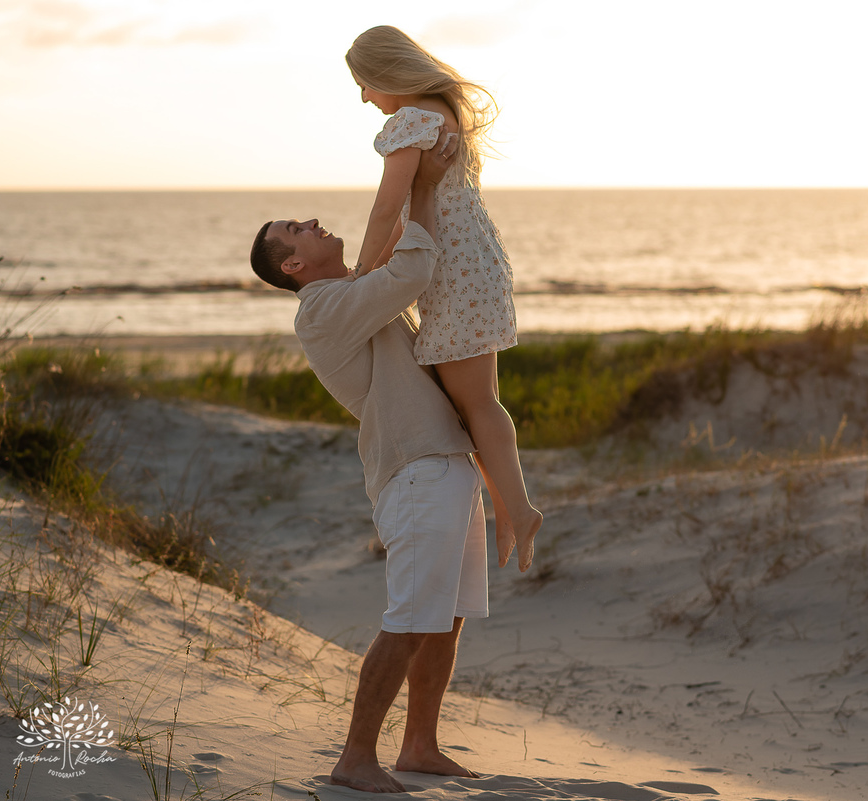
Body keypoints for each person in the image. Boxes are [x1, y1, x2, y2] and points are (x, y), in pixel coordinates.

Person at [249, 135, 483, 793]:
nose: (312, 221)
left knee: (446, 615)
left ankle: (420, 744)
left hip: (444, 463)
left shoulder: (348, 293)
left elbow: (390, 260)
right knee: (411, 617)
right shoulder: (319, 310)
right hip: (416, 471)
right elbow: (408, 272)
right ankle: (355, 756)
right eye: (297, 228)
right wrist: (424, 188)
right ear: (294, 263)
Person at [345, 24, 541, 573]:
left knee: (476, 405)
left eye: (363, 83)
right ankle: (507, 509)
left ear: (385, 73)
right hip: (474, 263)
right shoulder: (444, 112)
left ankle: (520, 510)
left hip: (456, 273)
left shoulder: (410, 121)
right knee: (475, 404)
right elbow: (413, 209)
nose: (364, 97)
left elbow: (387, 212)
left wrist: (360, 277)